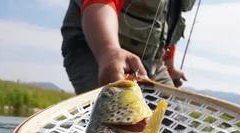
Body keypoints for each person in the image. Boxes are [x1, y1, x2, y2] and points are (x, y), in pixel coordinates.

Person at [61, 0, 194, 94]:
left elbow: (169, 26)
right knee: (113, 116)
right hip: (94, 48)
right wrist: (108, 49)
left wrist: (170, 68)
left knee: (173, 121)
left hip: (151, 63)